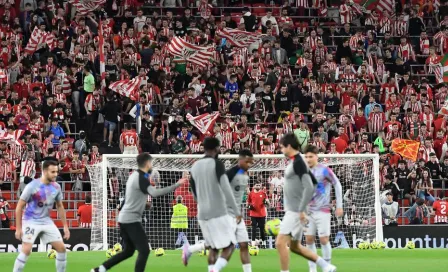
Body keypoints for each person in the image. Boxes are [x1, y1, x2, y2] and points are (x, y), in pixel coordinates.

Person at [91, 153, 186, 272]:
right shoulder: (142, 178)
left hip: (124, 218)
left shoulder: (134, 176)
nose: (151, 165)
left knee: (129, 251)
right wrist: (177, 184)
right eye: (151, 163)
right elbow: (155, 193)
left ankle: (100, 269)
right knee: (144, 250)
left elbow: (134, 197)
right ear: (147, 163)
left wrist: (143, 205)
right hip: (131, 220)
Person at [183, 149, 254, 272]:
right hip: (226, 214)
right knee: (220, 245)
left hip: (237, 215)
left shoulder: (245, 175)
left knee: (244, 244)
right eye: (247, 162)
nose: (249, 165)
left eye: (251, 162)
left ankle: (190, 250)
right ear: (240, 160)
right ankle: (199, 257)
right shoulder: (230, 173)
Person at [276, 133, 336, 272]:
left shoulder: (298, 162)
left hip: (295, 211)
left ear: (289, 146)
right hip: (296, 210)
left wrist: (302, 209)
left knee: (280, 243)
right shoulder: (297, 161)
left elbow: (309, 186)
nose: (281, 150)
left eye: (282, 147)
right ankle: (326, 266)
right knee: (295, 247)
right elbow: (314, 183)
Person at [13, 160, 70, 272]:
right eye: (52, 172)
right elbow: (19, 207)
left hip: (46, 221)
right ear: (44, 171)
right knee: (27, 249)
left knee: (62, 249)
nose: (55, 174)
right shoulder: (32, 186)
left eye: (56, 172)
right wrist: (18, 228)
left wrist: (65, 226)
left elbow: (60, 206)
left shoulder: (57, 187)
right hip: (31, 221)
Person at [303, 145, 343, 272]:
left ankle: (327, 267)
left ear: (316, 157)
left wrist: (339, 206)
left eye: (311, 156)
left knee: (324, 239)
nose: (308, 159)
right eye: (306, 156)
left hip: (323, 210)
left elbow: (337, 185)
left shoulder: (325, 170)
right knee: (309, 239)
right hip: (308, 211)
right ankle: (312, 269)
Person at [247, 181, 268, 247]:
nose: (258, 186)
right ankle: (253, 244)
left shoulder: (263, 193)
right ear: (254, 186)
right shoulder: (251, 194)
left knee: (262, 229)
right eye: (257, 185)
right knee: (254, 228)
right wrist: (249, 206)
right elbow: (247, 203)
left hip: (262, 214)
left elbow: (268, 204)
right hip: (253, 214)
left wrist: (266, 203)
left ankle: (264, 243)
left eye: (259, 185)